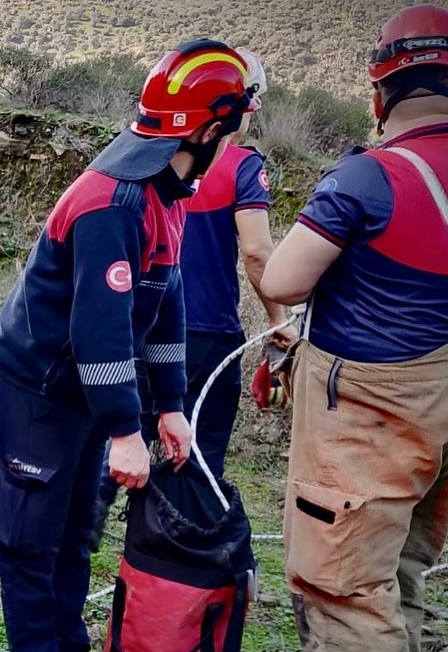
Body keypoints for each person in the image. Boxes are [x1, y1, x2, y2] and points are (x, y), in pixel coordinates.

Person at [259, 4, 448, 652]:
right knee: (395, 563)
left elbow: (283, 281)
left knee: (340, 578)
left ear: (379, 90)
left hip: (375, 408)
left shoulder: (370, 175)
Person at [0, 40, 257, 652]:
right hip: (40, 383)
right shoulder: (114, 201)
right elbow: (99, 330)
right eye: (237, 122)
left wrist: (167, 405)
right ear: (206, 127)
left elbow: (164, 306)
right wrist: (124, 429)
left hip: (85, 384)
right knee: (30, 536)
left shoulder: (170, 191)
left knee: (78, 530)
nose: (240, 134)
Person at [91, 49, 297, 547]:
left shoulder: (146, 161)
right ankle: (173, 569)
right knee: (198, 457)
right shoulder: (244, 167)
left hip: (145, 329)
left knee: (118, 446)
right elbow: (256, 252)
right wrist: (281, 323)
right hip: (210, 335)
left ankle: (80, 539)